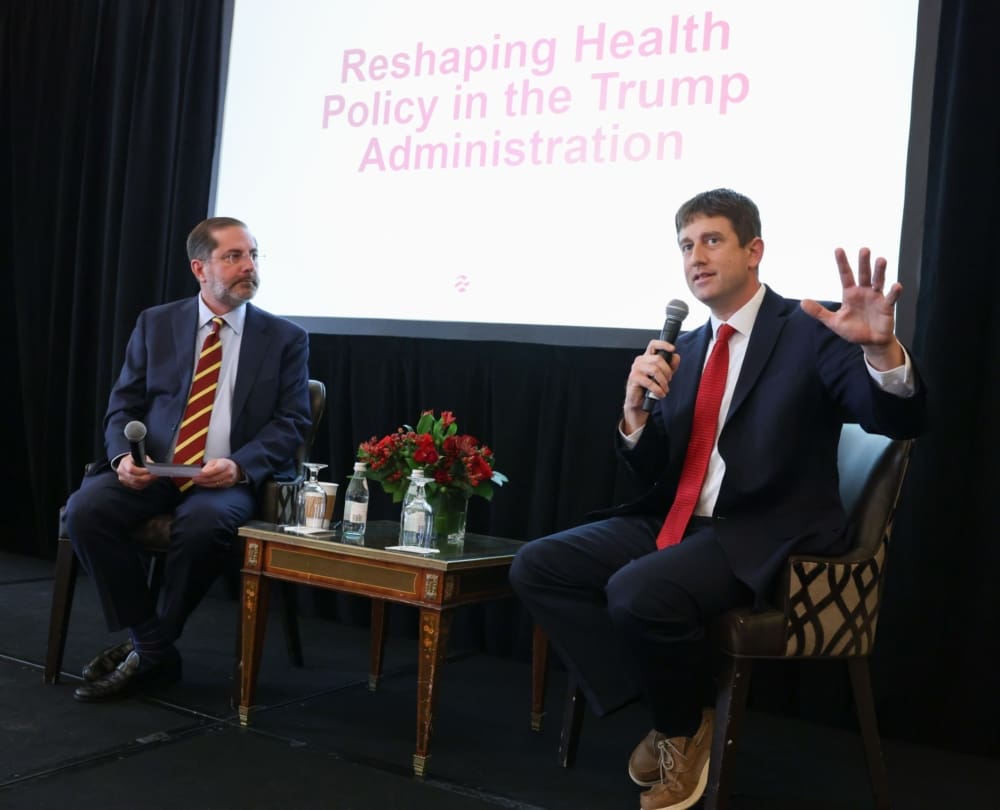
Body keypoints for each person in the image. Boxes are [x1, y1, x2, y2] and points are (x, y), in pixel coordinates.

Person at [509, 189, 926, 810]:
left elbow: (895, 417)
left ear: (753, 251)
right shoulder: (689, 351)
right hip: (678, 519)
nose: (695, 257)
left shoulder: (809, 332)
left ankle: (676, 728)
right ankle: (677, 713)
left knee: (636, 592)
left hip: (762, 528)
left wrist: (878, 352)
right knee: (536, 566)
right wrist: (633, 417)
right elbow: (655, 471)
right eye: (685, 245)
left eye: (711, 240)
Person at [65, 216, 312, 702]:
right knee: (85, 511)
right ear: (200, 268)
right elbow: (124, 405)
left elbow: (292, 422)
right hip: (156, 468)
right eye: (234, 256)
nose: (249, 267)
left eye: (253, 255)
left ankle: (151, 648)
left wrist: (240, 465)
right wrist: (122, 457)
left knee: (204, 526)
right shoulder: (156, 323)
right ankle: (152, 644)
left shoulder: (285, 338)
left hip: (227, 478)